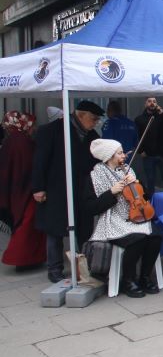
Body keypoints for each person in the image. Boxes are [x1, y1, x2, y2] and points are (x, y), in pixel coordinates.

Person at [32, 100, 103, 283]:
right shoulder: (51, 130)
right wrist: (38, 187)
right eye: (93, 118)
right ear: (80, 115)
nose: (95, 122)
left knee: (84, 229)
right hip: (57, 188)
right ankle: (54, 268)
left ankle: (81, 267)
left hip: (82, 189)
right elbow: (40, 161)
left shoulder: (92, 135)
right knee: (56, 230)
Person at [82, 139, 162, 298]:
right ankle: (128, 280)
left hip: (135, 216)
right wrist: (111, 192)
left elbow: (144, 196)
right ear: (109, 155)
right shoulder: (95, 175)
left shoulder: (128, 170)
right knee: (137, 239)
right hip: (112, 221)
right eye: (119, 153)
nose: (124, 155)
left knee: (156, 237)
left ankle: (145, 277)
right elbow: (90, 207)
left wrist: (138, 184)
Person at [0, 111, 46, 270]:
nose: (33, 128)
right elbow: (30, 166)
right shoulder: (22, 141)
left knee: (23, 225)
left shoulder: (10, 140)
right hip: (26, 191)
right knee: (27, 227)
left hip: (16, 191)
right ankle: (22, 259)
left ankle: (28, 259)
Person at [134, 97, 163, 196]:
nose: (152, 103)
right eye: (149, 101)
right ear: (145, 104)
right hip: (148, 154)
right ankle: (151, 203)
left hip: (161, 153)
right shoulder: (139, 119)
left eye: (154, 101)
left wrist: (162, 112)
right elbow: (136, 136)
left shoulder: (161, 117)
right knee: (150, 180)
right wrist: (140, 151)